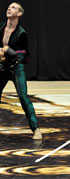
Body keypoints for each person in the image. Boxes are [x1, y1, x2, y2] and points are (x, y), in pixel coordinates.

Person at [0, 2, 42, 140]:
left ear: (19, 14)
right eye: (9, 7)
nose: (9, 8)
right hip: (2, 67)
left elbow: (20, 55)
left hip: (16, 68)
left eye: (13, 7)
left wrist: (6, 51)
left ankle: (36, 129)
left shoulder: (22, 33)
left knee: (23, 98)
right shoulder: (1, 28)